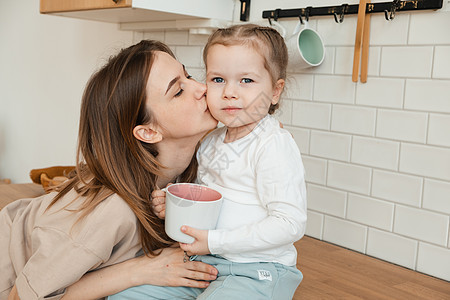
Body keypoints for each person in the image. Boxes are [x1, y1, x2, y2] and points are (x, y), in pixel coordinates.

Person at [1, 39, 220, 300]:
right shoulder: (109, 211)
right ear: (148, 132)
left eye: (189, 75)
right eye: (178, 91)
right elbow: (21, 297)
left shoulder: (197, 168)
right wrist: (138, 270)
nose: (201, 87)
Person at [110, 24, 307, 300]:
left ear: (275, 91)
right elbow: (210, 200)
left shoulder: (273, 145)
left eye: (246, 81)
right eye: (217, 80)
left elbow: (290, 224)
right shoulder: (211, 141)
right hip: (210, 262)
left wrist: (214, 241)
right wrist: (177, 204)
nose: (229, 92)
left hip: (258, 270)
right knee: (126, 295)